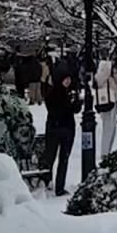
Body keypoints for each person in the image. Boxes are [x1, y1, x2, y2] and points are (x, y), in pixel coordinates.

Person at [41, 61, 80, 196]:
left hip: (67, 128)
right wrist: (68, 105)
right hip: (56, 128)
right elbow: (55, 110)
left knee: (64, 159)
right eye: (65, 79)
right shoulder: (53, 94)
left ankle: (59, 186)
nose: (68, 81)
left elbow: (75, 110)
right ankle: (47, 182)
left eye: (69, 79)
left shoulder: (70, 92)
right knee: (51, 157)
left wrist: (75, 102)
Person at [94, 59, 117, 156]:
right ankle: (105, 153)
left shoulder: (100, 73)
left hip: (104, 101)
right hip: (110, 100)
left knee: (107, 128)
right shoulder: (112, 72)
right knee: (110, 128)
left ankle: (105, 152)